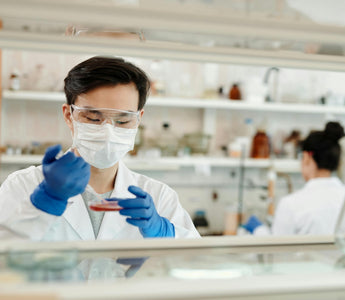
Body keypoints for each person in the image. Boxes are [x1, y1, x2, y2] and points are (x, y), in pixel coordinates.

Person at [0, 56, 200, 240]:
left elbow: (198, 265)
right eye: (93, 118)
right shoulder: (23, 185)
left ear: (138, 120)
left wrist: (166, 234)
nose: (108, 132)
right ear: (69, 116)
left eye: (122, 121)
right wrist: (43, 205)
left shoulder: (159, 197)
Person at [243, 121, 345, 235]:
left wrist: (258, 230)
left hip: (302, 254)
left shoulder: (290, 204)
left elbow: (277, 249)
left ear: (306, 158)